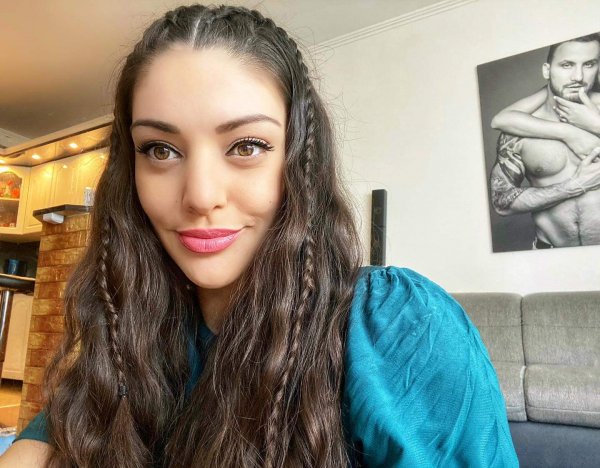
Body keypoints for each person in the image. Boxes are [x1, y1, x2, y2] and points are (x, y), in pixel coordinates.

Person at [0, 5, 517, 467]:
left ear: (299, 160)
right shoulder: (136, 332)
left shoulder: (394, 327)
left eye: (246, 145)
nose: (200, 195)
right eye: (161, 150)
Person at [489, 34, 600, 248]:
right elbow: (501, 201)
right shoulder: (519, 129)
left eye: (589, 64)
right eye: (567, 65)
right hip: (547, 254)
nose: (578, 76)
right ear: (547, 70)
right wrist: (573, 186)